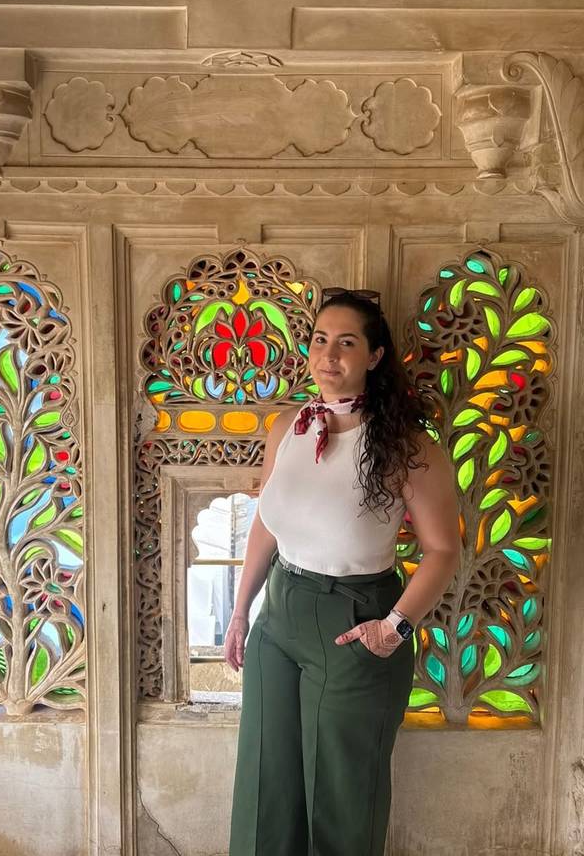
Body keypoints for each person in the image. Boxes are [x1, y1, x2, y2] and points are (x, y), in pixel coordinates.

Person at [226, 287, 461, 856]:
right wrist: (240, 611)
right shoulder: (287, 427)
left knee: (342, 801)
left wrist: (394, 627)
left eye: (347, 343)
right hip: (279, 619)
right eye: (320, 340)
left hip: (355, 622)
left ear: (375, 357)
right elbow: (267, 522)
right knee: (266, 788)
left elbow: (443, 551)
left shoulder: (408, 448)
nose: (329, 355)